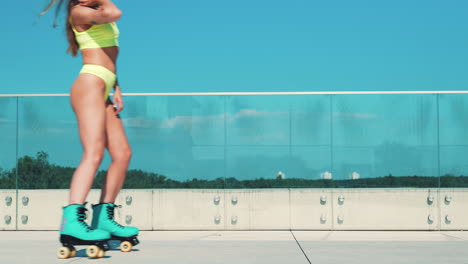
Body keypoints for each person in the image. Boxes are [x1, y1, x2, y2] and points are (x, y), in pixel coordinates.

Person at [39, 0, 139, 258]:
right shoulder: (79, 12)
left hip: (104, 85)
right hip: (90, 84)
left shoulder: (94, 11)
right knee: (93, 153)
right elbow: (116, 12)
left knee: (122, 154)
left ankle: (104, 217)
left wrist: (116, 85)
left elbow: (108, 53)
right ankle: (71, 221)